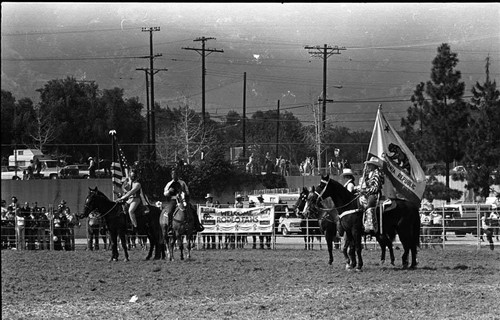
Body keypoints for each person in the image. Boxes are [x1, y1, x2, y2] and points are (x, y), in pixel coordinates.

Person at [163, 167, 204, 236]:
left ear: (177, 175)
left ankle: (197, 225)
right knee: (169, 211)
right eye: (173, 174)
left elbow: (187, 192)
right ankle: (170, 227)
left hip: (182, 199)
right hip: (173, 200)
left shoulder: (182, 183)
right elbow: (165, 193)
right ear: (171, 175)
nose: (174, 175)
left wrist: (184, 192)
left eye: (175, 174)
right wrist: (169, 192)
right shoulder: (169, 184)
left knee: (193, 209)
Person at [358, 156, 384, 234]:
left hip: (374, 194)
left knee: (370, 204)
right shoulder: (370, 173)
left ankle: (371, 225)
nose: (368, 166)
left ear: (374, 165)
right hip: (367, 193)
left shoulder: (377, 173)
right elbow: (366, 183)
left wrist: (365, 190)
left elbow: (375, 188)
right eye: (368, 165)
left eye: (370, 164)